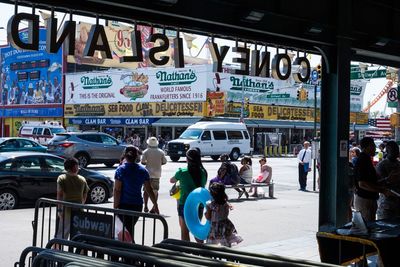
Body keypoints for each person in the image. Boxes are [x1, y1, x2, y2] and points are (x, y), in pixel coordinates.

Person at [114, 146, 159, 241]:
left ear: (125, 156)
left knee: (126, 231)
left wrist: (115, 207)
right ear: (136, 157)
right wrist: (155, 205)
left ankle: (128, 252)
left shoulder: (120, 170)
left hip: (123, 205)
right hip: (137, 206)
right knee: (128, 230)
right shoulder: (143, 171)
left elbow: (117, 190)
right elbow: (149, 189)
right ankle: (129, 251)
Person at [170, 148, 207, 242]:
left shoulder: (182, 171)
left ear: (187, 159)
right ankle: (202, 253)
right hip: (199, 205)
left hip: (185, 204)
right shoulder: (203, 172)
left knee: (184, 231)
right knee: (197, 229)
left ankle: (187, 253)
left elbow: (172, 180)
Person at [354, 137, 391, 222]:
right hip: (365, 200)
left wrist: (387, 179)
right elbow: (362, 184)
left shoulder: (366, 159)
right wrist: (382, 191)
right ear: (367, 147)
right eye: (373, 146)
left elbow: (371, 182)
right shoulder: (362, 160)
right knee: (366, 229)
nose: (375, 148)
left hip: (369, 200)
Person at [55, 158, 89, 240]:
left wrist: (59, 210)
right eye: (78, 165)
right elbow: (85, 194)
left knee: (61, 235)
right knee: (79, 235)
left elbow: (59, 195)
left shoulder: (61, 178)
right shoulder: (82, 179)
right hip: (79, 211)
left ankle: (55, 252)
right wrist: (81, 204)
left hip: (65, 210)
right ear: (75, 167)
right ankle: (80, 252)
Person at [205, 182, 243, 247]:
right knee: (225, 240)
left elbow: (208, 217)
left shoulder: (210, 204)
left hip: (216, 226)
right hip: (226, 224)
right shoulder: (225, 203)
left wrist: (205, 214)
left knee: (214, 243)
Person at [141, 136, 167, 213]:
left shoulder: (145, 151)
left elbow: (142, 162)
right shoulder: (161, 152)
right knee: (155, 191)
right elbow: (164, 162)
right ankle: (154, 207)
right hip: (157, 174)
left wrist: (147, 163)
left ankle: (145, 206)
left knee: (146, 191)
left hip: (147, 174)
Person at [376, 141, 400, 220]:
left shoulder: (399, 164)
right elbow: (377, 184)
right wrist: (388, 179)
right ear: (387, 151)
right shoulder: (382, 165)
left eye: (397, 150)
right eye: (394, 150)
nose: (396, 152)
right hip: (387, 205)